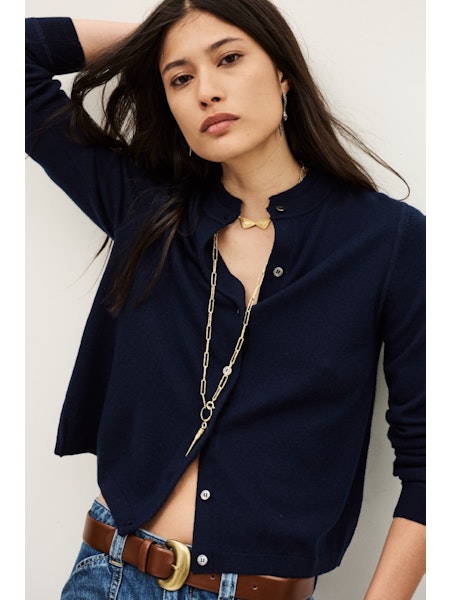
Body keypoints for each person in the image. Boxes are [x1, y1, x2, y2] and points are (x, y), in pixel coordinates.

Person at [25, 0, 425, 598]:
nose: (207, 91)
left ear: (282, 71)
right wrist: (161, 35)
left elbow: (431, 462)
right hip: (107, 576)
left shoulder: (389, 242)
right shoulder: (146, 210)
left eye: (230, 58)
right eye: (180, 78)